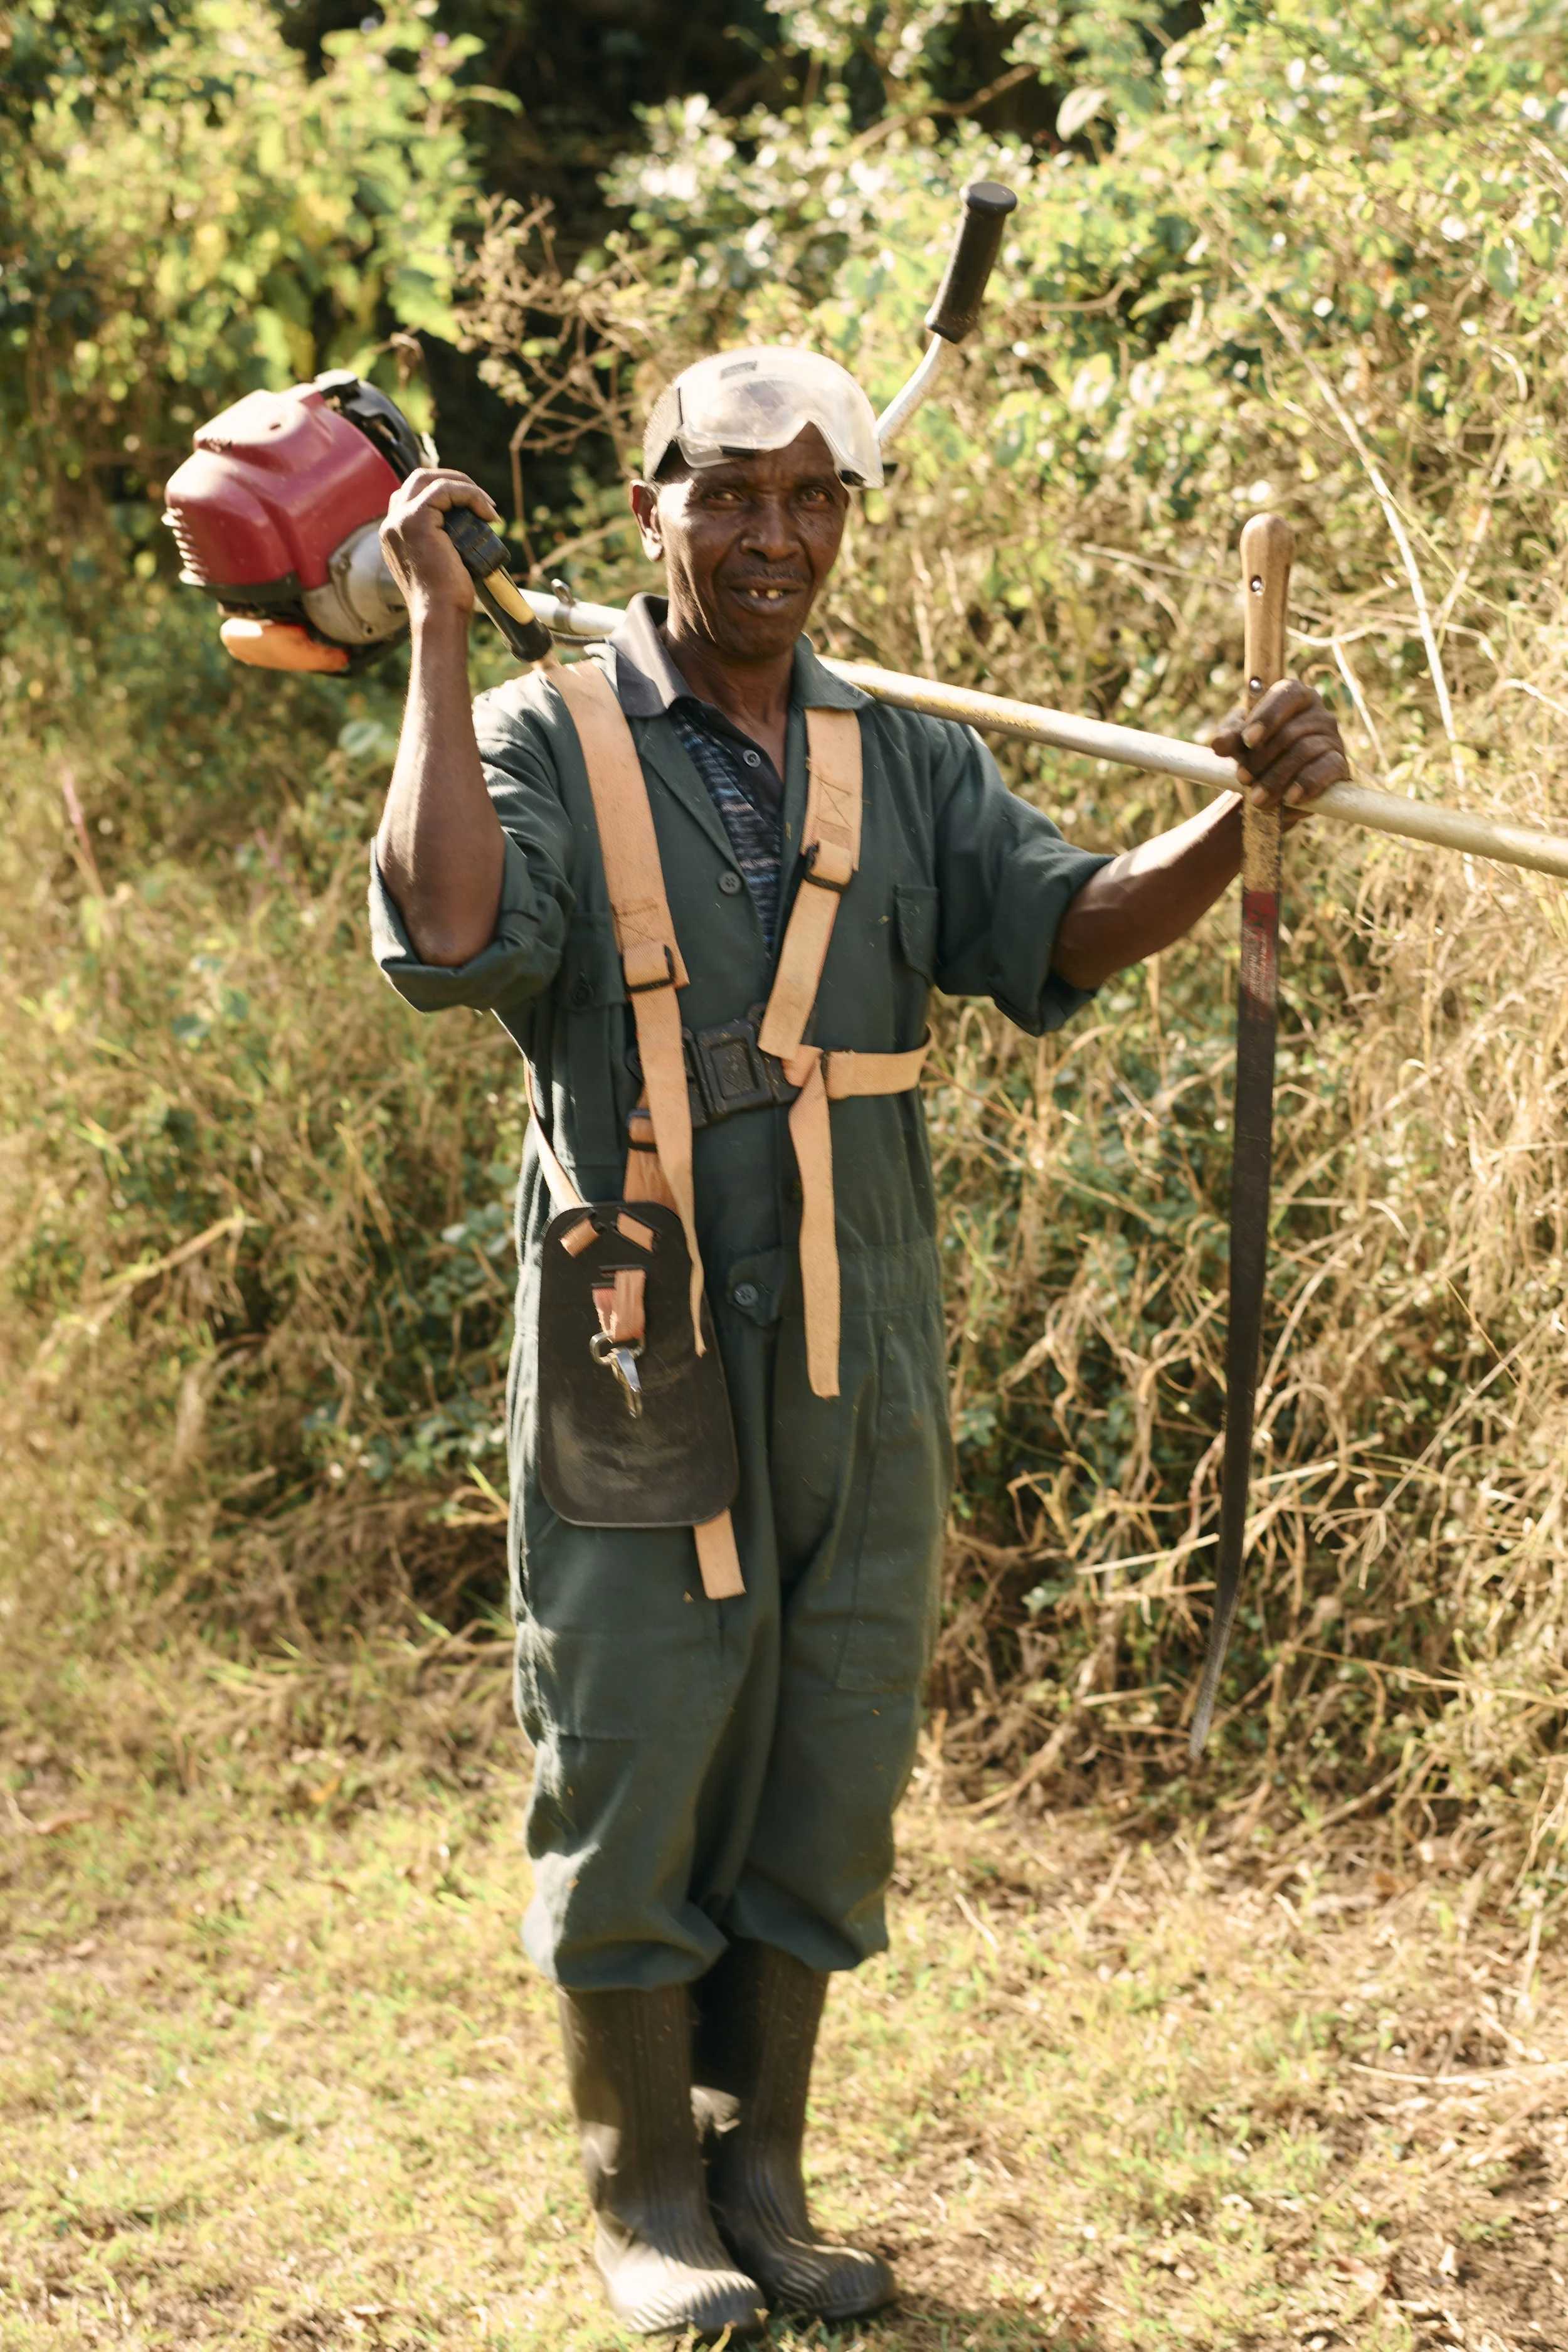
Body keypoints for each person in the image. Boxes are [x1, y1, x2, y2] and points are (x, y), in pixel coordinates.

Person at [369, 346, 1348, 2339]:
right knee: (639, 1726)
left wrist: (1234, 831)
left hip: (861, 1308)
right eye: (729, 493)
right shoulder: (539, 728)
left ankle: (764, 2174)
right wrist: (434, 645)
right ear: (648, 507)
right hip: (638, 1307)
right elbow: (448, 930)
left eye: (814, 498)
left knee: (829, 1731)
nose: (772, 536)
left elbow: (1056, 924)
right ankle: (642, 2195)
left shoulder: (899, 752)